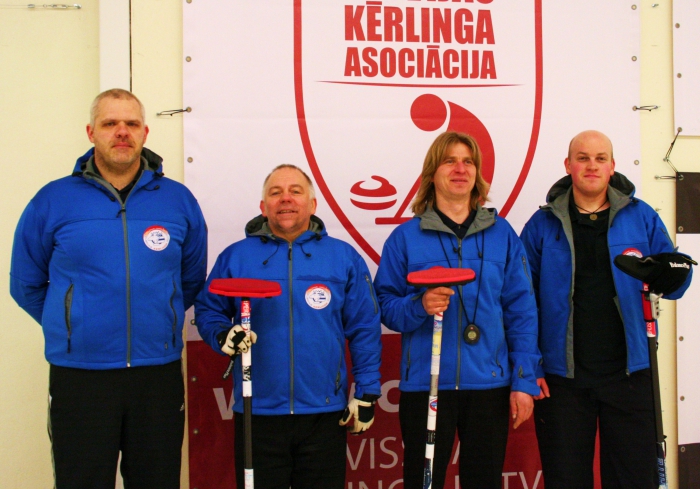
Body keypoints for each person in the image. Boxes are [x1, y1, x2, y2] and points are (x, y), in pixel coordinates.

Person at [9, 89, 208, 489]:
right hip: (81, 376)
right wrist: (73, 324)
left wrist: (159, 320)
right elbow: (25, 284)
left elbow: (189, 280)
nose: (121, 132)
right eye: (110, 123)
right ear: (91, 132)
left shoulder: (178, 201)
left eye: (131, 124)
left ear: (145, 132)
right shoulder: (53, 200)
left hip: (157, 374)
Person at [520, 130, 695, 489]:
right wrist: (529, 366)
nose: (592, 165)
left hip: (630, 373)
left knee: (634, 479)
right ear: (568, 165)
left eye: (600, 158)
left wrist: (672, 273)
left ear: (612, 166)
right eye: (583, 158)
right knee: (566, 480)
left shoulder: (641, 216)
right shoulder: (542, 224)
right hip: (562, 379)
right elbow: (522, 302)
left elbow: (676, 280)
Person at [194, 164, 382, 489]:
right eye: (275, 192)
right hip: (258, 411)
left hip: (324, 412)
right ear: (263, 206)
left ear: (312, 204)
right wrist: (221, 334)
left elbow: (364, 327)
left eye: (295, 191)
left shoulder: (343, 258)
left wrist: (366, 392)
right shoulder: (236, 257)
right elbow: (209, 309)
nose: (285, 199)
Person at [373, 131, 543, 489]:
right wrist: (419, 305)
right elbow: (384, 307)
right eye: (449, 161)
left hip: (489, 385)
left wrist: (524, 380)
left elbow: (522, 311)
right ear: (432, 173)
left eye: (468, 161)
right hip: (427, 384)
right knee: (423, 482)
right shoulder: (405, 237)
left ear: (477, 174)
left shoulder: (502, 234)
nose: (460, 169)